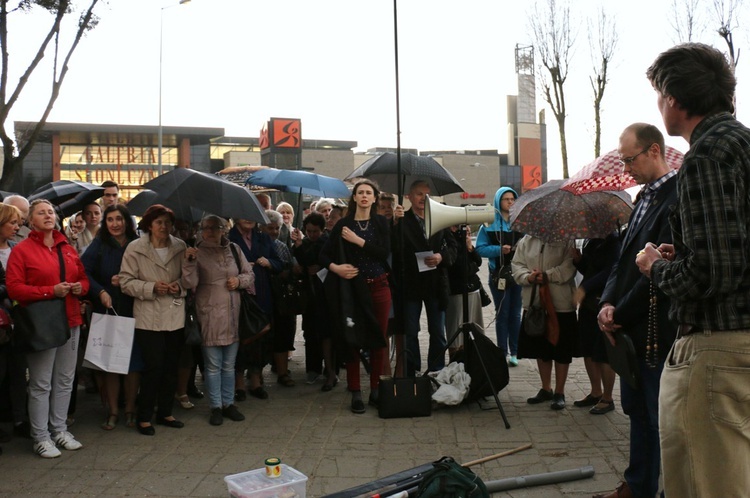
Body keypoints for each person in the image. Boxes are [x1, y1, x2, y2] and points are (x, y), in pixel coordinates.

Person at [634, 43, 750, 498]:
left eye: (659, 95)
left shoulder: (705, 156)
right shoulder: (740, 142)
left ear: (674, 99)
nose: (659, 105)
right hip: (737, 345)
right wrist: (680, 254)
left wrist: (654, 268)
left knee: (708, 484)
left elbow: (713, 274)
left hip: (715, 351)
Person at [596, 123, 678, 498]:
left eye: (630, 160)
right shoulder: (642, 196)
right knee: (637, 411)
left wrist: (620, 314)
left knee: (660, 418)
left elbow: (657, 272)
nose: (626, 169)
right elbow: (623, 261)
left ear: (655, 151)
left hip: (656, 330)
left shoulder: (677, 197)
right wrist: (607, 302)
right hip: (630, 326)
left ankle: (663, 488)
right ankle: (638, 483)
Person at [6, 199, 89, 458]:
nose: (48, 215)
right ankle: (40, 436)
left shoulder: (67, 247)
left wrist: (80, 288)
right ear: (31, 220)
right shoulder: (22, 250)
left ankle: (60, 429)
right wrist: (49, 291)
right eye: (41, 212)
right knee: (41, 383)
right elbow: (15, 289)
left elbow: (84, 279)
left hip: (71, 319)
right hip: (42, 324)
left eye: (51, 212)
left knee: (65, 380)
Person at [321, 179, 391, 414]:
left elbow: (384, 253)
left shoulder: (381, 223)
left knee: (378, 339)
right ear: (354, 198)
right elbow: (323, 255)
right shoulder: (343, 224)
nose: (363, 196)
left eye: (368, 192)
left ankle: (375, 390)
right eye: (359, 192)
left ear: (374, 198)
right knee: (352, 339)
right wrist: (336, 268)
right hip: (352, 291)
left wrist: (358, 241)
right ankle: (355, 392)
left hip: (379, 286)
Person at [120, 204, 187, 436]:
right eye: (159, 222)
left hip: (175, 314)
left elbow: (188, 278)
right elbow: (125, 281)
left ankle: (166, 412)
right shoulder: (135, 248)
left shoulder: (180, 246)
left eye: (168, 222)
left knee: (171, 366)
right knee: (153, 367)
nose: (164, 227)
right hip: (148, 317)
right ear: (149, 224)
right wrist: (151, 287)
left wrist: (179, 286)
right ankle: (144, 416)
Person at [183, 215, 252, 426]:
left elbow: (249, 274)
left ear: (224, 230)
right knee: (213, 365)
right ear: (201, 230)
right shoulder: (196, 251)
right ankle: (215, 406)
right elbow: (189, 282)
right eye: (207, 227)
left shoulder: (234, 249)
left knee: (229, 365)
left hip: (232, 313)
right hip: (210, 314)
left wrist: (239, 281)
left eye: (217, 227)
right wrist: (189, 262)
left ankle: (229, 403)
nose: (211, 231)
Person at [80, 204, 141, 431]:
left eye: (119, 219)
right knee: (111, 364)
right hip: (107, 309)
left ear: (127, 220)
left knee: (133, 364)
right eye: (110, 220)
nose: (115, 224)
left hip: (134, 308)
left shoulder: (137, 243)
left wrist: (126, 281)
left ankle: (130, 409)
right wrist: (101, 291)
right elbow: (83, 271)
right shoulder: (100, 244)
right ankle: (113, 410)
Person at [393, 180, 457, 376]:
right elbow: (393, 249)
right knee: (411, 331)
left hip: (436, 283)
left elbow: (454, 248)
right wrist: (395, 223)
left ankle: (436, 370)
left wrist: (441, 257)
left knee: (438, 332)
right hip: (411, 283)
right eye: (419, 194)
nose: (423, 198)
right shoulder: (402, 220)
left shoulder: (439, 218)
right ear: (409, 196)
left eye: (427, 195)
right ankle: (411, 370)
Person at [512, 234, 576, 410]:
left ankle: (560, 392)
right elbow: (516, 265)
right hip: (535, 304)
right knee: (541, 347)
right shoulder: (525, 241)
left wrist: (547, 275)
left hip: (561, 304)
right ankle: (545, 388)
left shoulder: (566, 239)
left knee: (561, 349)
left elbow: (570, 266)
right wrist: (529, 277)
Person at [228, 217, 282, 400]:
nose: (247, 219)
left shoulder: (263, 238)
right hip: (239, 297)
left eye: (250, 215)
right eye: (243, 215)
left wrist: (269, 263)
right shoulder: (229, 238)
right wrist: (242, 269)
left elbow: (279, 263)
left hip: (262, 295)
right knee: (241, 338)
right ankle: (239, 383)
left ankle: (256, 379)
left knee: (260, 338)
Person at [571, 235, 619, 415]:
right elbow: (590, 269)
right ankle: (595, 391)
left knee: (603, 352)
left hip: (603, 301)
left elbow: (611, 271)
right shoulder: (593, 241)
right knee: (588, 349)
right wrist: (579, 260)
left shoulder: (613, 241)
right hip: (588, 304)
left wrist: (585, 288)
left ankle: (608, 397)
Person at [475, 187, 523, 366]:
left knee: (516, 314)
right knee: (502, 313)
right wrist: (498, 250)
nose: (510, 202)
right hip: (499, 276)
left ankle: (515, 352)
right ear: (498, 201)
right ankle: (502, 351)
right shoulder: (488, 224)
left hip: (518, 275)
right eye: (506, 199)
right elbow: (480, 248)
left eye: (512, 199)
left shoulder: (520, 222)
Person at [262, 210, 299, 387]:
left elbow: (289, 268)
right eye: (270, 228)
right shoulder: (257, 245)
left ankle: (282, 372)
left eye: (277, 228)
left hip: (281, 297)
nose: (274, 232)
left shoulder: (282, 246)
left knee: (283, 334)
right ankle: (256, 374)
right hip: (261, 296)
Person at [292, 212, 329, 385]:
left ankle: (330, 368)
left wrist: (321, 268)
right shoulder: (304, 243)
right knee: (310, 332)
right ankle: (312, 368)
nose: (312, 234)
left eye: (315, 231)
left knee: (326, 333)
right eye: (309, 231)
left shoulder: (327, 242)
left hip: (325, 293)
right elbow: (304, 262)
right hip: (309, 293)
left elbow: (320, 260)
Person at [445, 224, 484, 357]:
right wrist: (473, 268)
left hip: (472, 290)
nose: (467, 232)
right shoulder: (450, 240)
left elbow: (478, 261)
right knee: (455, 328)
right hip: (456, 291)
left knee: (474, 327)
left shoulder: (465, 242)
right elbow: (460, 267)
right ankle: (456, 358)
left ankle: (471, 357)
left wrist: (469, 246)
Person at [0, 203, 20, 451]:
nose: (17, 227)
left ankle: (16, 419)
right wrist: (11, 287)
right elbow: (12, 284)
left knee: (15, 372)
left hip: (15, 320)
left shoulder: (16, 248)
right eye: (12, 223)